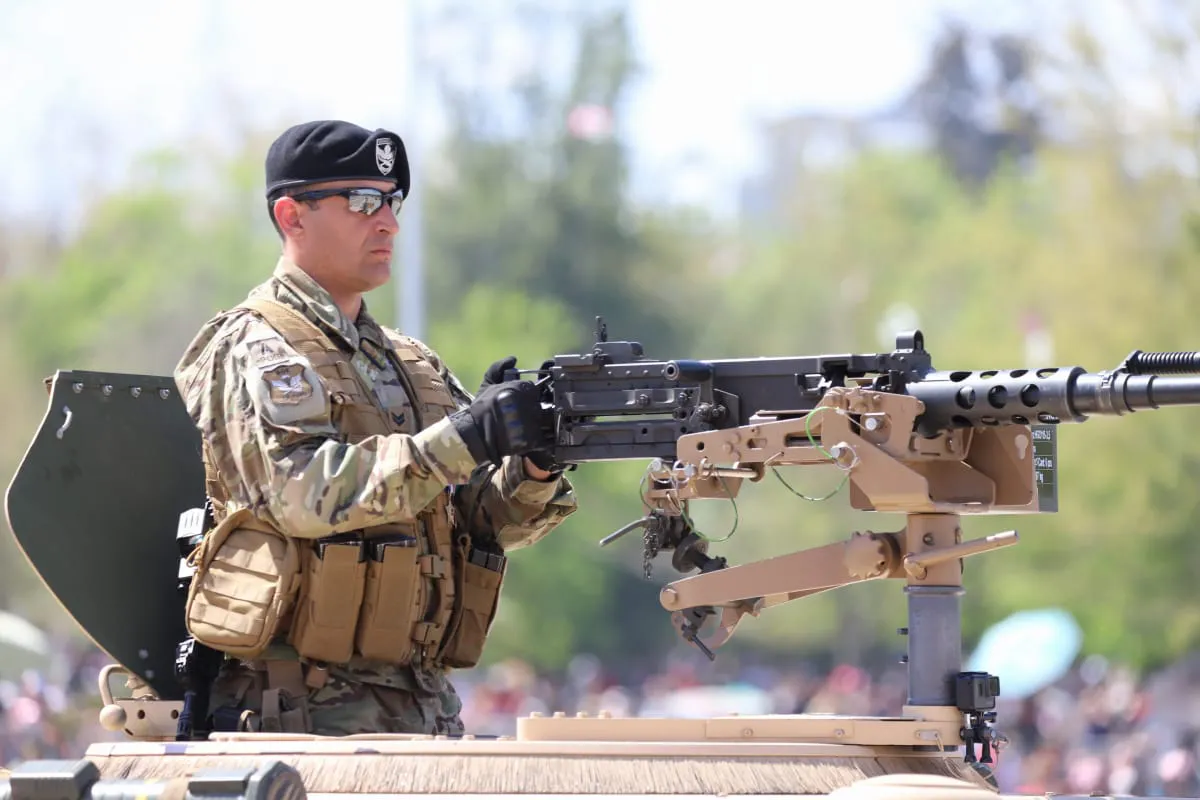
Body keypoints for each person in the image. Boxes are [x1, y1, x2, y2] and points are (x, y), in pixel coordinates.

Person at [173, 119, 577, 737]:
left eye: (392, 202)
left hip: (421, 712)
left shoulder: (410, 362)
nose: (387, 222)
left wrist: (532, 463)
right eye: (362, 202)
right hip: (300, 718)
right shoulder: (257, 344)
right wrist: (463, 440)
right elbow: (300, 495)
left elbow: (476, 521)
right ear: (292, 216)